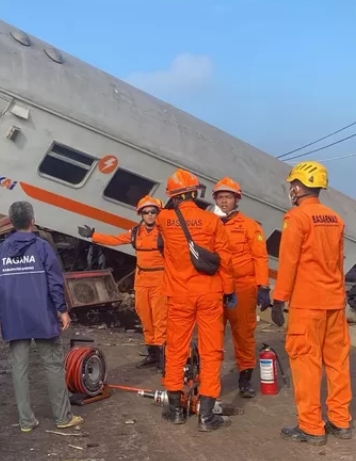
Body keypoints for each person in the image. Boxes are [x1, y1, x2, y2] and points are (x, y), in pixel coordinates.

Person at [267, 161, 351, 446]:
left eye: (293, 184)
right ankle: (340, 420)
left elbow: (288, 262)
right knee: (337, 362)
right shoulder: (335, 218)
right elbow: (339, 264)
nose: (292, 189)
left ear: (299, 186)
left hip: (307, 303)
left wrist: (279, 300)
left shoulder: (297, 217)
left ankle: (311, 426)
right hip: (334, 302)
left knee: (306, 364)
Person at [0, 201, 84, 432]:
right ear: (32, 221)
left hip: (14, 317)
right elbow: (54, 282)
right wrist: (62, 310)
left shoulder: (2, 250)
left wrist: (0, 315)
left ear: (11, 223)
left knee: (19, 369)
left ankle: (26, 421)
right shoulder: (42, 248)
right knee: (53, 365)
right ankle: (62, 418)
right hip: (42, 315)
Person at [156, 169, 234, 431]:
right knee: (211, 352)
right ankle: (206, 416)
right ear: (195, 193)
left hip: (178, 295)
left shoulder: (164, 219)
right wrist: (229, 290)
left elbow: (159, 242)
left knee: (176, 351)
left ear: (173, 196)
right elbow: (225, 261)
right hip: (209, 294)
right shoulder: (212, 222)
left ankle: (176, 410)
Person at [78, 195, 166, 369]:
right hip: (142, 280)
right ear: (141, 214)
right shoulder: (135, 232)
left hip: (160, 279)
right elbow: (115, 240)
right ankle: (153, 354)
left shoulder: (165, 233)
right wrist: (94, 235)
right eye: (146, 212)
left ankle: (164, 357)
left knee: (160, 319)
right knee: (144, 316)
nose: (149, 215)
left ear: (158, 213)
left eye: (152, 212)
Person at [210, 177, 271, 398]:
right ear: (215, 199)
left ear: (237, 200)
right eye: (220, 197)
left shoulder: (249, 226)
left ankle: (245, 379)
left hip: (242, 287)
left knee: (243, 334)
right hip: (214, 287)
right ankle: (209, 381)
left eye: (228, 197)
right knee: (212, 335)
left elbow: (260, 257)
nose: (224, 201)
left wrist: (263, 286)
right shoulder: (210, 223)